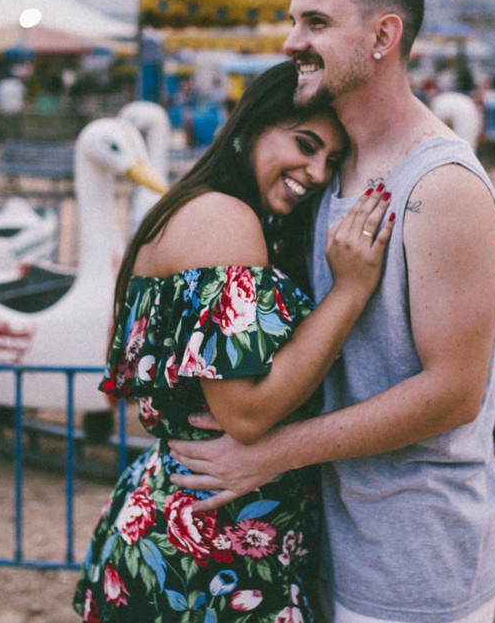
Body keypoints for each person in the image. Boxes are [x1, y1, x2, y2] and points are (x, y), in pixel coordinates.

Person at [170, 0, 495, 623]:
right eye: (294, 21)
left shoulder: (440, 186)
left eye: (315, 23)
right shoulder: (334, 169)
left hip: (415, 565)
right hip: (330, 544)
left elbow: (453, 394)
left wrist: (265, 453)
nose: (293, 41)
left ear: (384, 35)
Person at [72, 60, 394, 622]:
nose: (318, 171)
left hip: (204, 543)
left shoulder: (207, 210)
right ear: (250, 127)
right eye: (304, 144)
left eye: (332, 160)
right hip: (203, 563)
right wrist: (350, 291)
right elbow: (245, 412)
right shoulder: (222, 219)